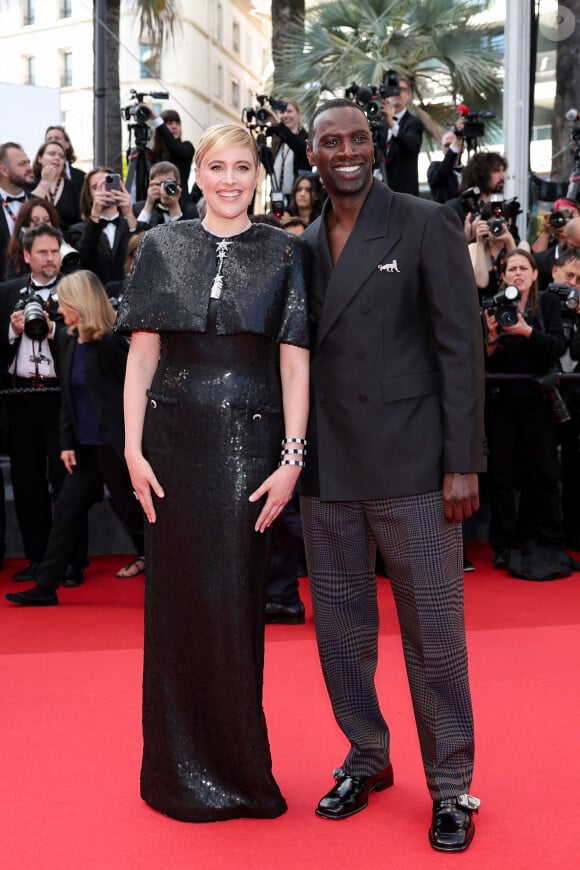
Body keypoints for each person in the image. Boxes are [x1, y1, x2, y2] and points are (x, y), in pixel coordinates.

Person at [300, 99, 485, 852]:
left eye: (357, 139)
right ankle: (367, 755)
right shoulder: (303, 246)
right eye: (329, 141)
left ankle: (452, 786)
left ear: (375, 147)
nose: (345, 151)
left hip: (414, 465)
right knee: (342, 635)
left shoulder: (420, 220)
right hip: (328, 468)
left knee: (432, 636)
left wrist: (461, 460)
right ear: (311, 155)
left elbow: (460, 349)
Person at [115, 123, 310, 822]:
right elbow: (141, 357)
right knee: (174, 606)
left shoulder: (284, 251)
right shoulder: (163, 247)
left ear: (260, 174)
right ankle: (174, 774)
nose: (230, 180)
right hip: (170, 446)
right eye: (217, 167)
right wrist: (133, 450)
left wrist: (292, 457)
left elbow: (294, 361)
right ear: (198, 172)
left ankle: (239, 772)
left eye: (243, 167)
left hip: (248, 449)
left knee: (232, 604)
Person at [5, 270, 146, 606]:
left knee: (133, 515)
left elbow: (136, 390)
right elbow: (68, 399)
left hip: (115, 447)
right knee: (66, 513)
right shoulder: (69, 338)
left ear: (80, 302)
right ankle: (45, 587)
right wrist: (67, 443)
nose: (57, 305)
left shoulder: (111, 342)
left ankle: (171, 576)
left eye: (63, 300)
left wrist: (135, 445)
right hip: (85, 449)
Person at [0, 223, 87, 584]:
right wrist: (12, 331)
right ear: (26, 256)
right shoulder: (6, 293)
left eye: (54, 251)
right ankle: (37, 558)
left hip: (61, 403)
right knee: (27, 483)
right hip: (19, 402)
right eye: (42, 253)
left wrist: (54, 330)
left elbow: (89, 337)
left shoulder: (74, 290)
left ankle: (70, 561)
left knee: (66, 484)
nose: (50, 259)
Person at [483, 249, 570, 579]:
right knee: (502, 476)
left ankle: (551, 540)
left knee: (546, 472)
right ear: (503, 276)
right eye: (511, 268)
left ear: (536, 274)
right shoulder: (494, 306)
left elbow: (558, 346)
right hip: (503, 401)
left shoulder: (547, 303)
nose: (517, 273)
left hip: (539, 400)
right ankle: (505, 546)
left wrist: (527, 332)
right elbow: (485, 361)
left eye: (523, 267)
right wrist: (491, 341)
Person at [68, 168, 146, 286]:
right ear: (89, 196)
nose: (104, 191)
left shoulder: (135, 225)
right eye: (96, 187)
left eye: (109, 185)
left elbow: (145, 259)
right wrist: (95, 215)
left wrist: (129, 213)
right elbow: (84, 262)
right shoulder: (78, 231)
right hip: (95, 297)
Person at [378, 75, 424, 196]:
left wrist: (392, 125)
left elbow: (412, 145)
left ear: (408, 97)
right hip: (382, 194)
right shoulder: (379, 125)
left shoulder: (414, 123)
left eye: (402, 89)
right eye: (394, 88)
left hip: (405, 195)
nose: (398, 92)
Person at [32, 139, 81, 238]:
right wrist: (45, 182)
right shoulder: (30, 183)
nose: (57, 158)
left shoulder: (74, 187)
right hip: (36, 239)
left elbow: (79, 221)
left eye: (61, 156)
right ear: (39, 158)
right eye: (52, 154)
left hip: (67, 243)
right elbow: (29, 209)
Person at [0, 142, 35, 279]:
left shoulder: (39, 203)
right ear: (4, 171)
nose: (29, 168)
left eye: (28, 162)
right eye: (22, 164)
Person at [145, 107, 195, 205]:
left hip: (182, 204)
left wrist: (156, 119)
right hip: (156, 205)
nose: (174, 126)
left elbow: (174, 148)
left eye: (177, 123)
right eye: (169, 123)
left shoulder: (187, 147)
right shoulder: (153, 154)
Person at [133, 160, 198, 227]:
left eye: (168, 183)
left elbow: (186, 235)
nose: (163, 188)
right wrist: (149, 205)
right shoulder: (138, 208)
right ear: (150, 184)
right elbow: (136, 236)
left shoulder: (192, 210)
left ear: (178, 183)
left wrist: (173, 206)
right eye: (159, 184)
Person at [427, 118, 465, 204]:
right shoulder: (434, 167)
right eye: (447, 145)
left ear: (463, 148)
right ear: (442, 149)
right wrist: (455, 143)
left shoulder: (469, 171)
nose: (450, 148)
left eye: (453, 144)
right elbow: (440, 175)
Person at [44, 125, 86, 202]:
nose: (53, 140)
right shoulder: (34, 177)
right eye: (49, 139)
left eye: (57, 138)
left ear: (67, 144)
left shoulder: (82, 177)